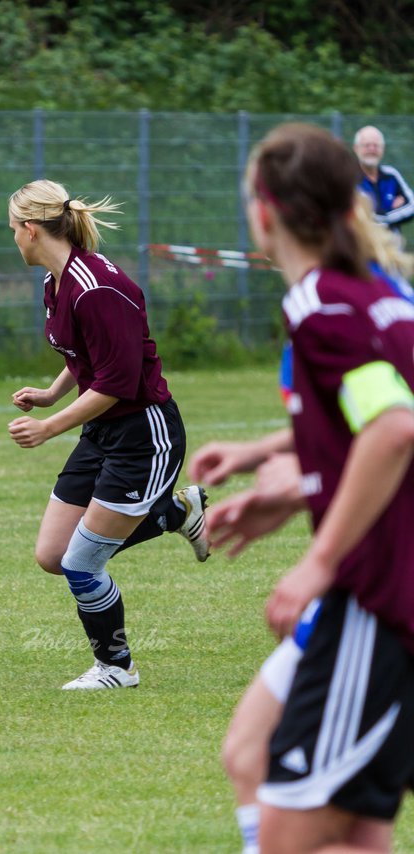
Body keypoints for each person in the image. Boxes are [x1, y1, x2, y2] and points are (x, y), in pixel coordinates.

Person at [238, 123, 414, 854]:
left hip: (380, 598)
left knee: (287, 829)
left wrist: (318, 559)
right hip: (389, 593)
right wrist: (289, 478)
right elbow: (374, 421)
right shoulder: (384, 297)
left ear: (265, 211)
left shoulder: (320, 308)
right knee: (355, 830)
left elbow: (393, 428)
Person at [5, 179, 210, 690]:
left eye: (13, 230)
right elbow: (87, 358)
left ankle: (117, 668)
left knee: (80, 563)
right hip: (103, 432)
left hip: (145, 436)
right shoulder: (57, 282)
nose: (13, 239)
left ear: (31, 230)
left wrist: (49, 427)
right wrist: (53, 394)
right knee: (53, 556)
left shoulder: (95, 289)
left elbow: (117, 383)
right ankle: (175, 512)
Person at [353, 125, 414, 236]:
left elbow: (412, 206)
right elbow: (353, 216)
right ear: (356, 148)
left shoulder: (392, 175)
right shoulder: (348, 178)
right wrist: (393, 211)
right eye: (367, 145)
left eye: (376, 145)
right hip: (360, 250)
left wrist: (380, 217)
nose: (372, 149)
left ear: (383, 148)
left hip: (393, 250)